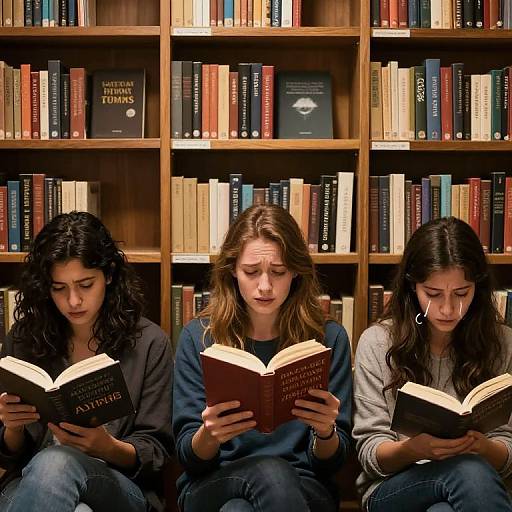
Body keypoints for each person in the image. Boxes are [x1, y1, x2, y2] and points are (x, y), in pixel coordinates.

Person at [172, 204, 353, 512]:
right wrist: (209, 435)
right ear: (232, 270)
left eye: (278, 272)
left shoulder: (328, 338)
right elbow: (189, 457)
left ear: (295, 271)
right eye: (251, 272)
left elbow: (332, 462)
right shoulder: (198, 337)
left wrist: (326, 432)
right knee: (268, 472)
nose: (265, 286)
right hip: (214, 482)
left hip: (304, 484)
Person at [0, 212, 173, 512]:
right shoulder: (24, 339)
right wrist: (11, 429)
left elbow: (156, 452)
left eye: (85, 284)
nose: (73, 301)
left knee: (56, 462)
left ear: (107, 275)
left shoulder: (148, 343)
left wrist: (107, 447)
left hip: (116, 485)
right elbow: (11, 456)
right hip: (32, 486)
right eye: (59, 288)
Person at [353, 216, 512, 512]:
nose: (448, 309)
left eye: (462, 293)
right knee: (469, 471)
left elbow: (507, 448)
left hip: (476, 491)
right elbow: (370, 452)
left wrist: (483, 447)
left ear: (477, 287)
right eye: (433, 294)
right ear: (413, 287)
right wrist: (413, 450)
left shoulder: (502, 342)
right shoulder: (377, 342)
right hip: (395, 488)